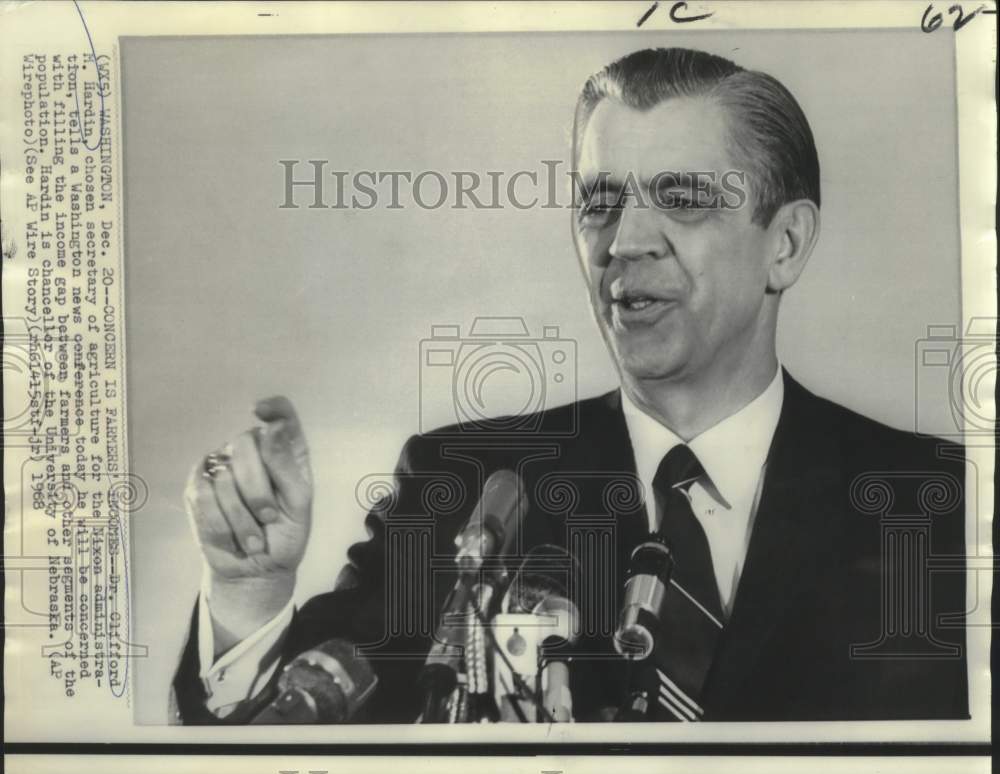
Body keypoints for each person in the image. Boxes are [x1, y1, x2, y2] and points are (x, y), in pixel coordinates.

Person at [172, 47, 968, 723]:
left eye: (682, 200)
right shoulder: (466, 487)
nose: (623, 242)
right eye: (600, 202)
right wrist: (249, 592)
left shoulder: (934, 500)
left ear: (785, 244)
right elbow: (299, 727)